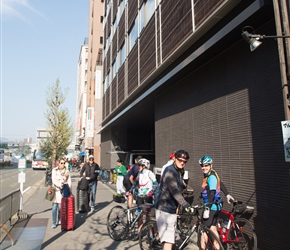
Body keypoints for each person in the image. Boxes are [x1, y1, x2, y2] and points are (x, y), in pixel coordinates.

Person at [155, 149, 191, 250]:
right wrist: (185, 204)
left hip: (170, 208)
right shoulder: (170, 171)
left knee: (172, 239)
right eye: (180, 160)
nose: (182, 163)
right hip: (164, 209)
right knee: (169, 241)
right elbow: (174, 190)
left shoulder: (178, 171)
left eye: (185, 162)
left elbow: (180, 186)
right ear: (174, 159)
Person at [199, 155, 234, 249]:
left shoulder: (211, 177)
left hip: (211, 207)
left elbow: (212, 193)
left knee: (204, 230)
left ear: (211, 165)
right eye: (202, 166)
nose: (204, 168)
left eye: (206, 165)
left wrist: (207, 207)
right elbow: (220, 183)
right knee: (213, 229)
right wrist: (227, 194)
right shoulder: (212, 174)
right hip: (216, 207)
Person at [128, 158, 158, 232]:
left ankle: (151, 233)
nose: (138, 167)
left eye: (140, 166)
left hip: (148, 197)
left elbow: (156, 184)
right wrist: (130, 190)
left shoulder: (149, 173)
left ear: (144, 166)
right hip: (140, 196)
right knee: (140, 215)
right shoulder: (139, 174)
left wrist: (151, 191)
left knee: (149, 215)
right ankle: (139, 232)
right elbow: (135, 183)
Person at [51, 158, 71, 229]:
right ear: (58, 163)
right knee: (54, 207)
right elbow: (53, 179)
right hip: (55, 190)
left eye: (64, 163)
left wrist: (70, 190)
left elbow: (69, 181)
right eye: (61, 163)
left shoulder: (67, 171)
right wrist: (59, 184)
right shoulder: (55, 170)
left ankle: (59, 219)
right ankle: (53, 222)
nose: (62, 164)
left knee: (60, 207)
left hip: (62, 191)